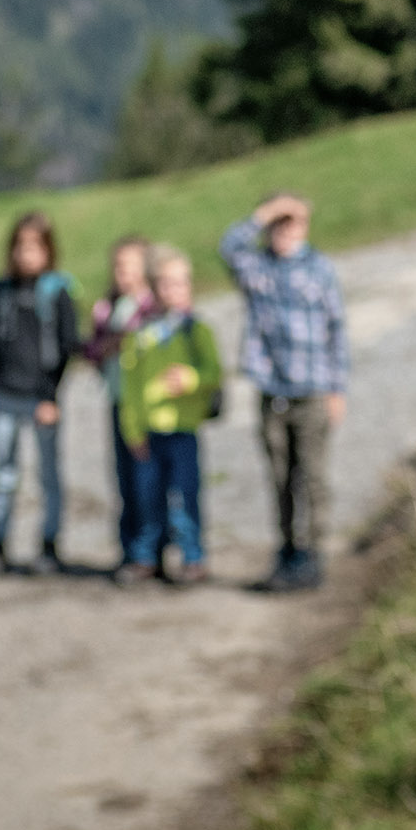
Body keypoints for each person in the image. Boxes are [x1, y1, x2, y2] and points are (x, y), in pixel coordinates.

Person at [220, 192, 346, 592]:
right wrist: (266, 212)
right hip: (273, 390)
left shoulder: (320, 269)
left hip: (312, 389)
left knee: (313, 475)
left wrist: (337, 388)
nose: (286, 231)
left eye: (294, 222)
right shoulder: (258, 269)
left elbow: (336, 331)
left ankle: (315, 552)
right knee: (280, 476)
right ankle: (288, 549)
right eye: (280, 223)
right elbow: (228, 246)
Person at [0, 210, 81, 573]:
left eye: (33, 247)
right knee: (3, 474)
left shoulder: (59, 292)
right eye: (19, 247)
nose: (25, 255)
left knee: (48, 474)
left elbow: (67, 348)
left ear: (49, 250)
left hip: (40, 398)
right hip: (2, 394)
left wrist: (51, 395)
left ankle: (49, 544)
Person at [115, 246, 224, 587]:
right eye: (164, 284)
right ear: (152, 287)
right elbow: (129, 386)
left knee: (185, 496)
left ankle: (193, 558)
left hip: (183, 430)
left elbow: (214, 373)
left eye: (179, 284)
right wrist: (132, 430)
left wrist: (190, 379)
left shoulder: (197, 331)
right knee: (147, 498)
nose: (172, 291)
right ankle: (146, 557)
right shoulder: (140, 335)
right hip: (148, 432)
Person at [84, 235, 157, 565]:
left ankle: (150, 549)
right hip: (117, 400)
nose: (122, 272)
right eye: (117, 266)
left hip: (147, 406)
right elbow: (92, 352)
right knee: (124, 480)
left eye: (129, 265)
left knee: (148, 481)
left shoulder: (152, 307)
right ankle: (130, 551)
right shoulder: (108, 309)